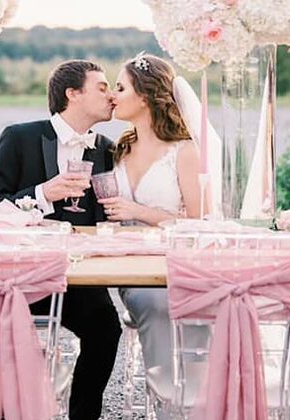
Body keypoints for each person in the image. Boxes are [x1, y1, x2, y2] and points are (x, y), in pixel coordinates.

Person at [0, 60, 122, 420]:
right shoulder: (19, 137)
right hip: (20, 276)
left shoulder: (106, 149)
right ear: (73, 94)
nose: (111, 95)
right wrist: (44, 193)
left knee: (106, 329)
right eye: (102, 87)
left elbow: (106, 217)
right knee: (14, 335)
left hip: (78, 279)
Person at [98, 54, 206, 373]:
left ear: (144, 97)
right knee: (150, 300)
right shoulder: (119, 149)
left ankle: (180, 387)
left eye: (120, 88)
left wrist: (139, 211)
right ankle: (167, 389)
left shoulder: (185, 151)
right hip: (130, 267)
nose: (112, 96)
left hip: (176, 264)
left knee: (161, 301)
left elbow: (200, 223)